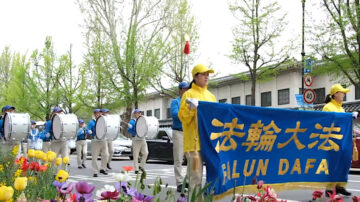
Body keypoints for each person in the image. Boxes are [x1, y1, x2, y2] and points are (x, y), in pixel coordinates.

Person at [178, 64, 216, 196]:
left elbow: (215, 119)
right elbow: (183, 118)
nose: (207, 77)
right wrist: (191, 108)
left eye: (208, 74)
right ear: (195, 76)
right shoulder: (188, 94)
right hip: (194, 144)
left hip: (209, 143)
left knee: (215, 175)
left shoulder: (211, 96)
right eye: (204, 74)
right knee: (196, 176)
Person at [322, 84, 352, 196]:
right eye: (341, 92)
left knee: (344, 163)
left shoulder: (342, 108)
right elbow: (326, 122)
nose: (343, 95)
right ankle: (329, 189)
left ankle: (340, 186)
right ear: (335, 94)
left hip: (342, 140)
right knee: (334, 165)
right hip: (332, 140)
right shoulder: (328, 107)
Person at [171, 81, 189, 192]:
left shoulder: (191, 101)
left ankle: (188, 180)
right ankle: (179, 182)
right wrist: (188, 113)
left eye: (188, 89)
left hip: (189, 132)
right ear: (180, 90)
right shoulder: (175, 102)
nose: (186, 91)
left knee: (191, 158)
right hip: (178, 132)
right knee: (178, 158)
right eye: (184, 89)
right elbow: (175, 114)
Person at [87, 108, 109, 177]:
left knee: (106, 155)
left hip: (103, 139)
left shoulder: (104, 121)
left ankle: (103, 168)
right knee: (94, 156)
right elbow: (88, 129)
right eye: (97, 113)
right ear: (94, 114)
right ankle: (95, 171)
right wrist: (89, 131)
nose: (99, 114)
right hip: (95, 140)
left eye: (100, 113)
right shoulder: (91, 122)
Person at [127, 109, 148, 174]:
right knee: (136, 155)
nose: (137, 114)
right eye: (136, 113)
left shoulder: (143, 120)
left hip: (142, 138)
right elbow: (129, 130)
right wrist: (134, 130)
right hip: (136, 139)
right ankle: (136, 169)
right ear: (134, 114)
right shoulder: (132, 121)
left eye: (139, 113)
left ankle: (141, 166)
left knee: (145, 153)